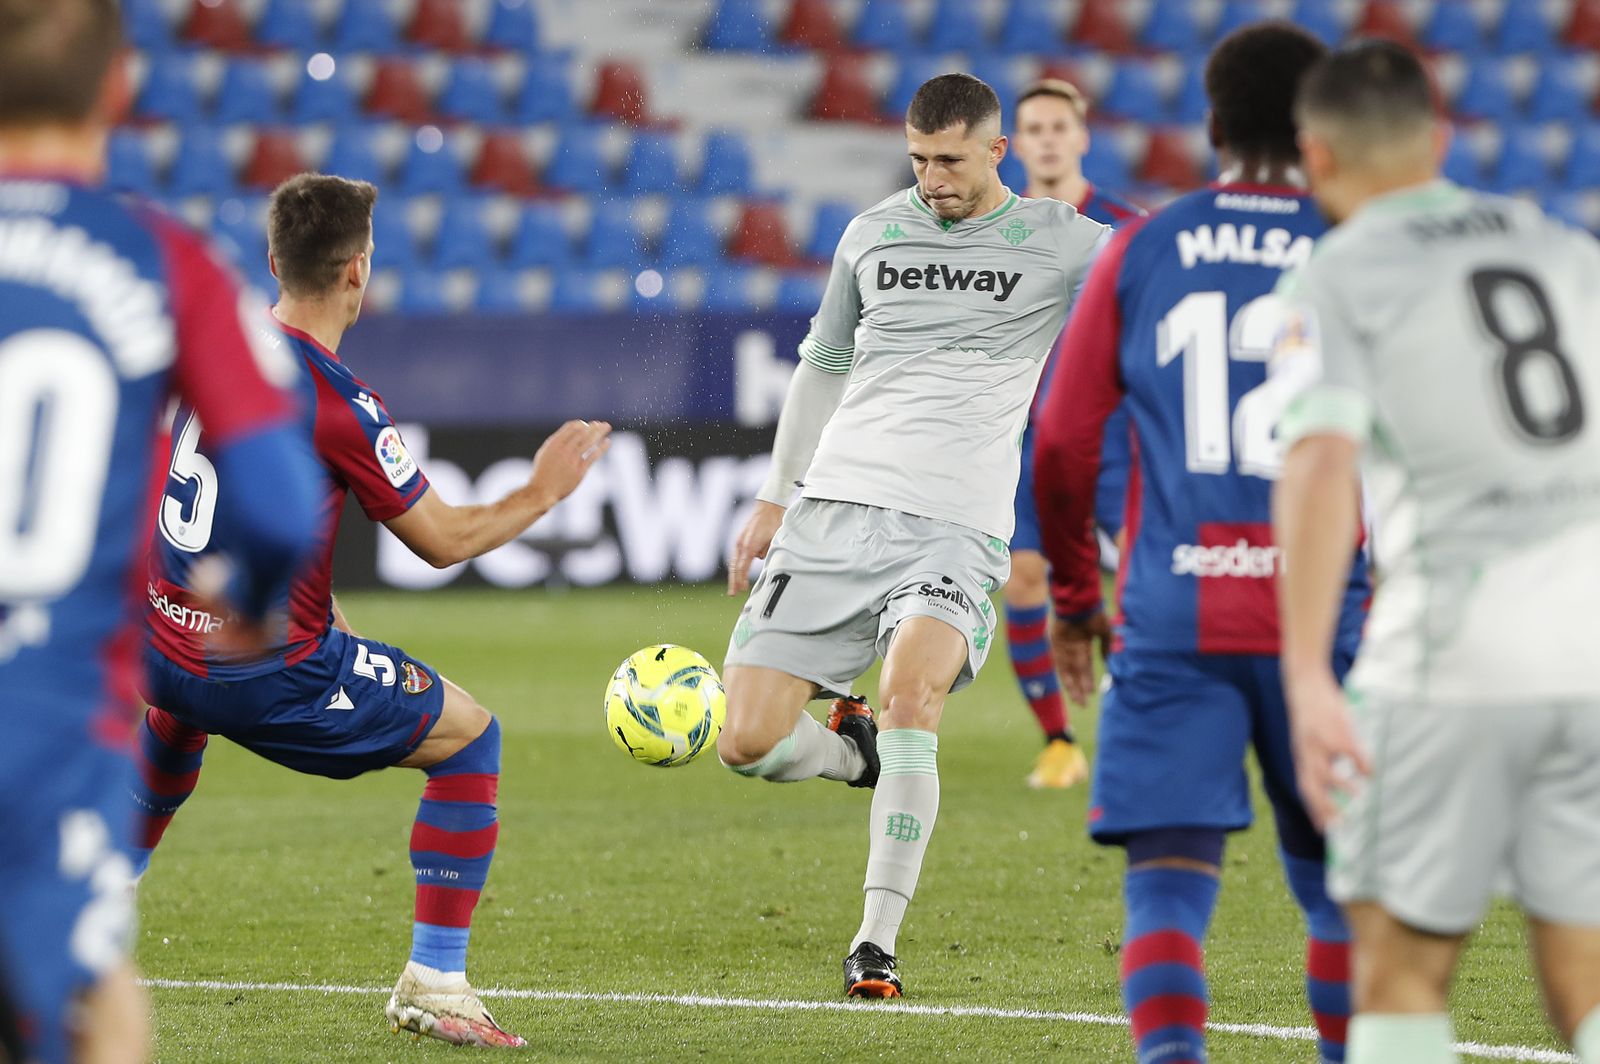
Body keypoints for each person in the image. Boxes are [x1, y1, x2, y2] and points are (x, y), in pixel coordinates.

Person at [128, 173, 612, 1048]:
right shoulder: (339, 399)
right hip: (265, 674)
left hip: (159, 644)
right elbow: (444, 539)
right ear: (359, 272)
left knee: (177, 708)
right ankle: (437, 979)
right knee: (471, 737)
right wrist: (544, 490)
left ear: (274, 261)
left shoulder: (205, 352)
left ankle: (91, 907)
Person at [719, 72, 1109, 999]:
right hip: (834, 511)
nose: (932, 177)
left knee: (911, 696)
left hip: (956, 527)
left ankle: (875, 943)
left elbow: (1160, 276)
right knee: (747, 741)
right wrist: (777, 496)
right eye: (919, 158)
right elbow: (821, 369)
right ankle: (848, 756)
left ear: (996, 152)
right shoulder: (871, 234)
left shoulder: (1059, 242)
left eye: (950, 159)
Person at [1034, 23, 1366, 1064]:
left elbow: (1059, 440)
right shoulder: (1357, 246)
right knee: (1341, 891)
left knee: (1168, 887)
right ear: (1319, 130)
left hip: (1174, 610)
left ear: (1212, 126)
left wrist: (1079, 595)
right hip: (1328, 621)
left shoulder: (1146, 244)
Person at [0, 2, 322, 1061]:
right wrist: (256, 595)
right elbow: (279, 497)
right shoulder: (161, 261)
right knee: (91, 1004)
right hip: (50, 725)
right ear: (119, 89)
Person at [1274, 39, 1600, 1064]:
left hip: (1448, 657)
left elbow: (1322, 464)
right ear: (1442, 140)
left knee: (1401, 969)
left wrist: (1302, 672)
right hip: (1589, 647)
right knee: (1584, 973)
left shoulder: (1337, 274)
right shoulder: (1559, 243)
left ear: (1314, 158)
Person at [1007, 78, 1146, 789]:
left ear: (1082, 136)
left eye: (1060, 125)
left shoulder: (1129, 226)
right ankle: (1059, 741)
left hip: (1115, 429)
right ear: (1015, 143)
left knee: (1144, 576)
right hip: (1028, 435)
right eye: (1035, 127)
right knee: (1023, 576)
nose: (1049, 138)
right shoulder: (997, 229)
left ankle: (1150, 719)